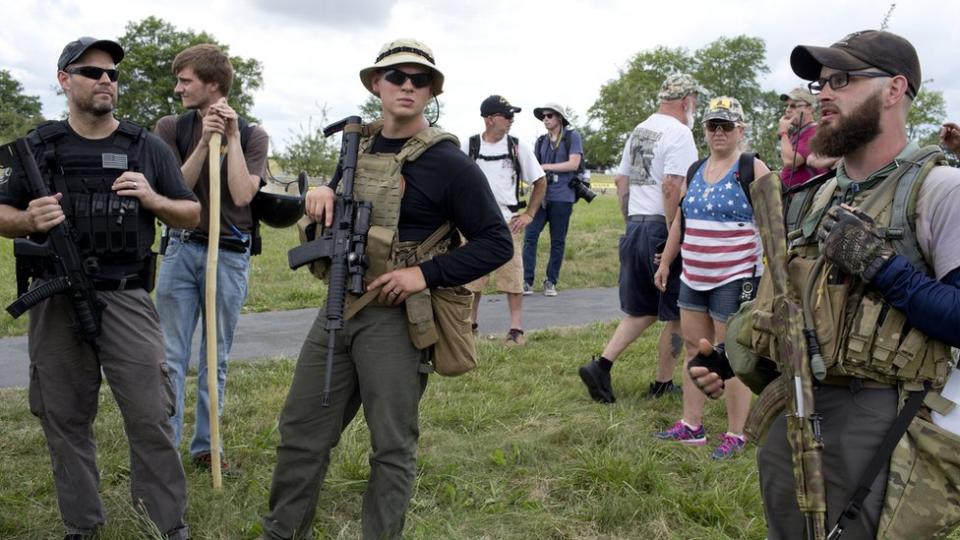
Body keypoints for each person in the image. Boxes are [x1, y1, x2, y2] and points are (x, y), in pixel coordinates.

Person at [689, 30, 960, 539]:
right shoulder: (814, 197)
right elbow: (795, 301)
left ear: (895, 89)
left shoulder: (940, 191)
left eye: (842, 79)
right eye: (821, 84)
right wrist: (729, 359)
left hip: (879, 415)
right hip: (793, 408)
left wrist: (884, 269)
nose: (825, 94)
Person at [261, 39, 512, 540]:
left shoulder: (448, 163)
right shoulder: (357, 148)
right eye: (396, 76)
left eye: (420, 80)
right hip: (338, 307)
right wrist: (322, 195)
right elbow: (342, 210)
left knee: (391, 445)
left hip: (397, 320)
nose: (407, 86)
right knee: (301, 435)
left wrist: (424, 274)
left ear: (431, 91)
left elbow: (496, 242)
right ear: (377, 84)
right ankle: (282, 532)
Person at [0, 37, 200, 540]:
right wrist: (26, 217)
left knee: (151, 411)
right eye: (92, 71)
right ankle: (82, 525)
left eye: (112, 73)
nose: (106, 80)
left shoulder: (144, 146)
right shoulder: (37, 148)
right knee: (63, 414)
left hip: (126, 293)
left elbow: (191, 211)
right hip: (54, 293)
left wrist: (153, 198)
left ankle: (165, 524)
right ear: (65, 80)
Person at [153, 43, 269, 471]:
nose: (178, 87)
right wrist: (203, 144)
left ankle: (207, 448)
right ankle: (166, 451)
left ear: (214, 85)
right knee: (169, 356)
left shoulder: (254, 134)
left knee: (213, 357)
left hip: (231, 253)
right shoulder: (171, 127)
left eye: (186, 80)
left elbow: (241, 194)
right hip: (182, 248)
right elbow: (172, 191)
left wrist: (232, 138)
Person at [652, 96, 769, 459]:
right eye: (712, 126)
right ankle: (691, 425)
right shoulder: (695, 170)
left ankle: (737, 433)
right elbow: (681, 222)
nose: (719, 132)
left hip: (735, 278)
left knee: (730, 355)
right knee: (693, 347)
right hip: (694, 276)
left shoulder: (753, 168)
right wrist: (667, 263)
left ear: (741, 130)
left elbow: (773, 225)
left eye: (727, 126)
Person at [577, 73, 701, 404]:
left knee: (643, 308)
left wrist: (631, 222)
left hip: (636, 224)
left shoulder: (639, 130)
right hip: (662, 226)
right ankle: (663, 383)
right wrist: (674, 233)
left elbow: (621, 182)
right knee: (676, 311)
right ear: (687, 102)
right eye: (695, 103)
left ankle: (601, 365)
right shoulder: (680, 132)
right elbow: (672, 185)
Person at [463, 95, 545, 346]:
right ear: (490, 119)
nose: (511, 120)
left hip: (508, 222)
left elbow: (540, 181)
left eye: (513, 116)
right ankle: (470, 326)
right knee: (471, 279)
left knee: (513, 276)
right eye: (506, 115)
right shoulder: (470, 146)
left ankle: (515, 330)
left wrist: (529, 214)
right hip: (473, 223)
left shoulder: (517, 146)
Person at [523, 102, 583, 297]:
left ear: (559, 118)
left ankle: (551, 281)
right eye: (543, 117)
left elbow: (574, 164)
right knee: (530, 236)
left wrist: (546, 166)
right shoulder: (541, 141)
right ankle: (527, 281)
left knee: (557, 241)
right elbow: (534, 167)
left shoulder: (571, 137)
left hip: (563, 196)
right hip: (541, 196)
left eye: (549, 115)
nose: (546, 119)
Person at [776, 87, 836, 189]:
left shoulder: (814, 131)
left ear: (810, 109)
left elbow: (791, 161)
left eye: (794, 106)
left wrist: (783, 132)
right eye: (787, 106)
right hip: (793, 196)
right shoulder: (799, 133)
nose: (788, 110)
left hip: (805, 197)